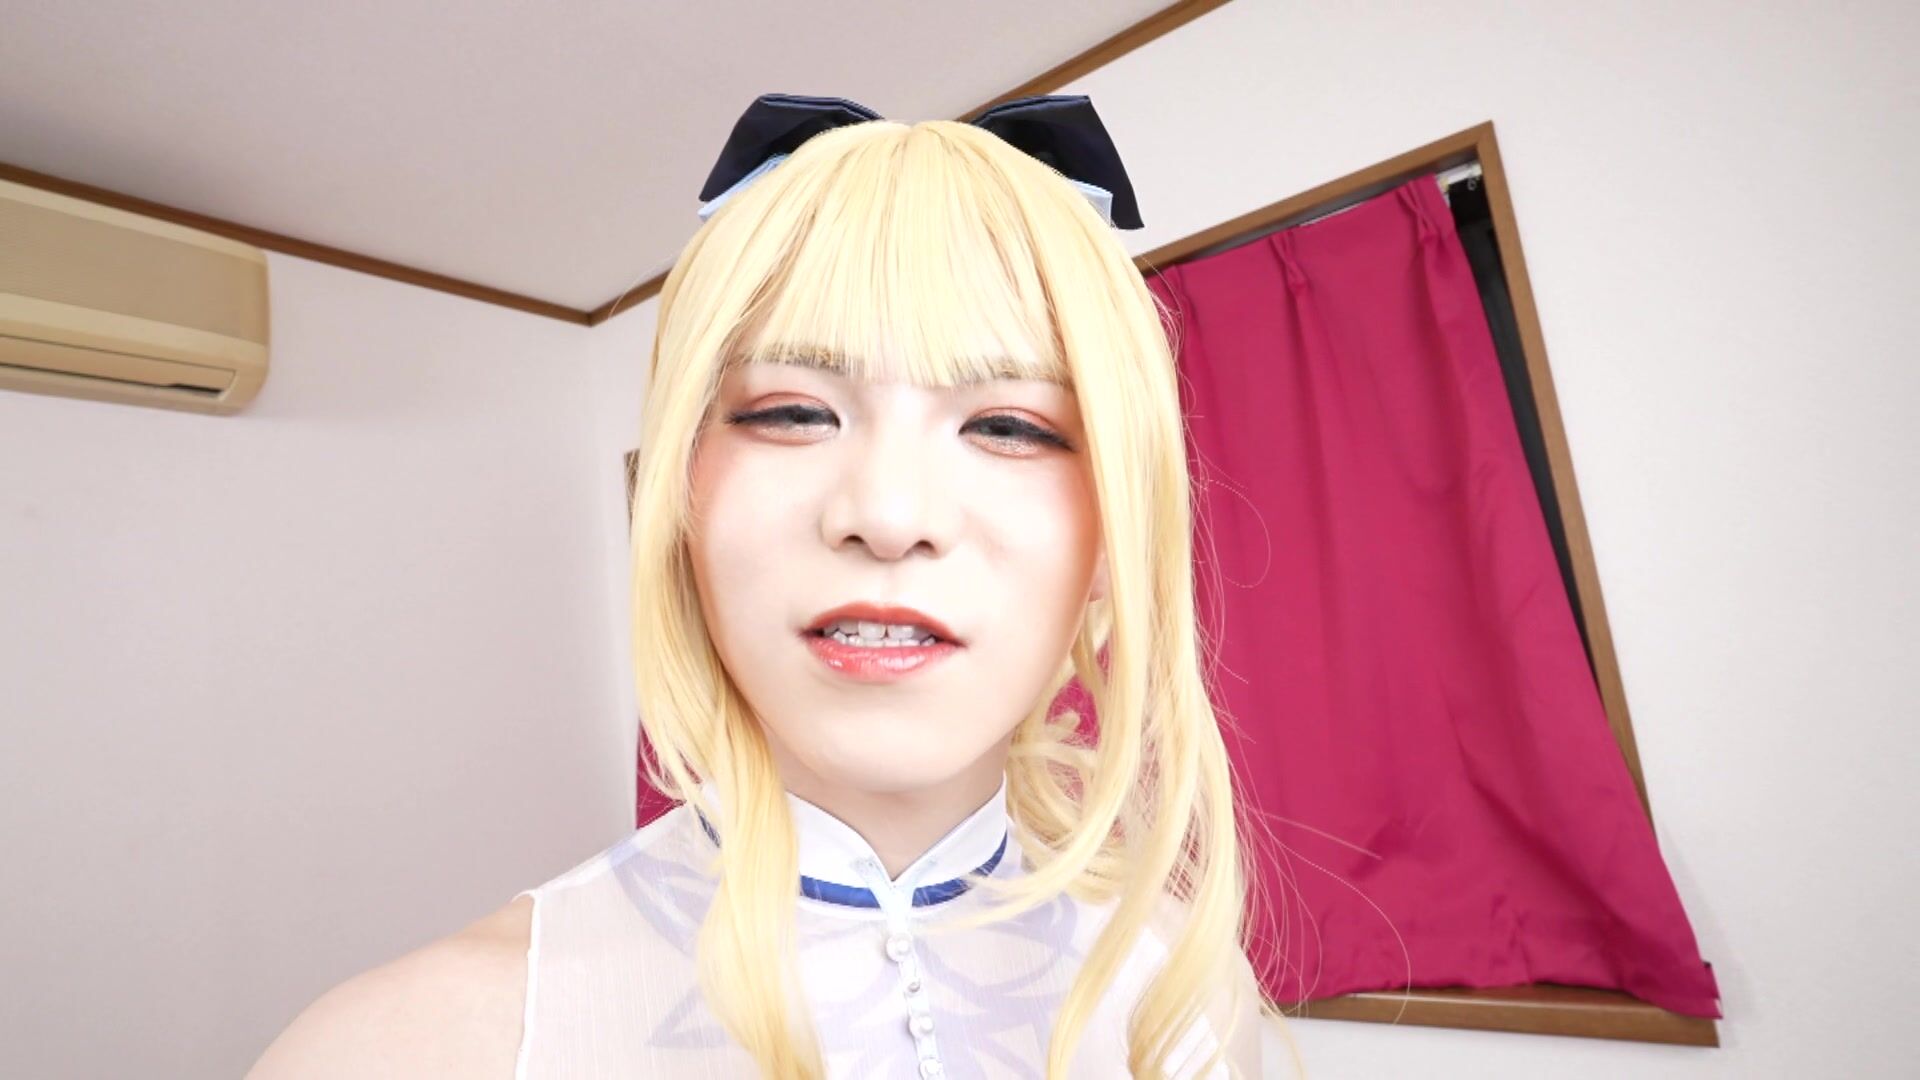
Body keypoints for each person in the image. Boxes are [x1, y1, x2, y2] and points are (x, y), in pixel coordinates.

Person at [248, 93, 1288, 1079]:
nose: (888, 513)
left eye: (1009, 426)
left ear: (1114, 534)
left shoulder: (1192, 999)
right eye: (792, 412)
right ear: (679, 495)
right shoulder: (403, 1047)